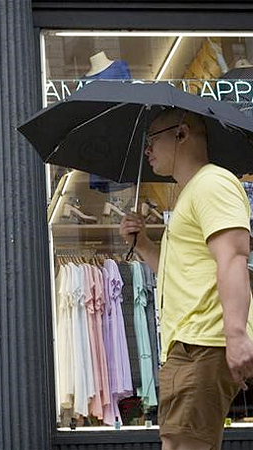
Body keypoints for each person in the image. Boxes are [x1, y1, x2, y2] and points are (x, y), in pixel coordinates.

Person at [120, 107, 253, 450]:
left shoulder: (213, 183)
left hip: (202, 344)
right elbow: (181, 274)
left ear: (181, 134)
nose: (146, 151)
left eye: (151, 141)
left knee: (182, 443)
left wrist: (237, 336)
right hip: (191, 344)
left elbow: (234, 256)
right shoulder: (193, 193)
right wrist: (145, 246)